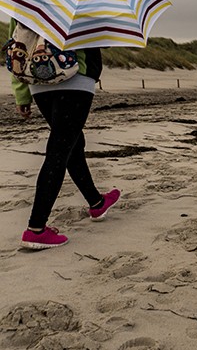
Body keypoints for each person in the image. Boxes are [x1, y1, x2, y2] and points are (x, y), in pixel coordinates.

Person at [6, 19, 120, 249]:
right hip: (76, 75)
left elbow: (16, 45)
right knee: (60, 147)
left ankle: (96, 202)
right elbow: (102, 39)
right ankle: (36, 228)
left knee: (71, 142)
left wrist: (21, 94)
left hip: (38, 80)